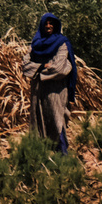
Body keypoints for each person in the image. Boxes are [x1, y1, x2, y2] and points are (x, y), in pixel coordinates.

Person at [21, 12, 77, 154]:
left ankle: (61, 156)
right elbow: (25, 65)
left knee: (57, 118)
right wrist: (42, 66)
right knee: (37, 121)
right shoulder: (36, 44)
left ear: (56, 25)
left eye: (51, 23)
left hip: (56, 90)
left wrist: (38, 69)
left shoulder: (61, 43)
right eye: (46, 23)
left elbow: (61, 68)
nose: (48, 26)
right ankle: (40, 156)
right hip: (38, 90)